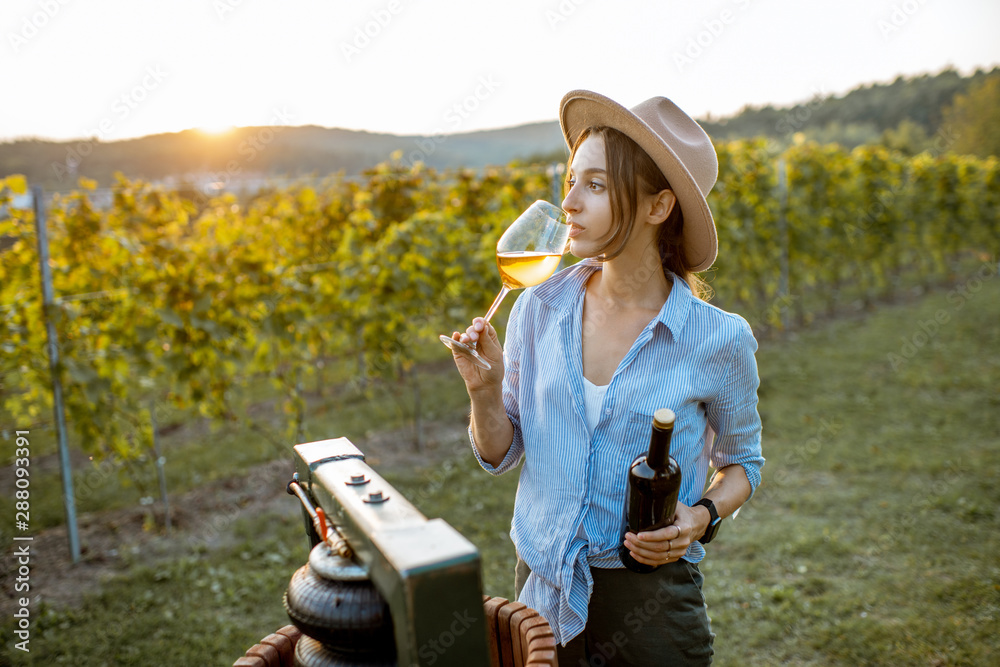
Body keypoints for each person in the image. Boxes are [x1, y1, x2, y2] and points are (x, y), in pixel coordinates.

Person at [448, 90, 764, 666]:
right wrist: (484, 393)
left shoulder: (719, 338)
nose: (567, 202)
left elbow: (744, 464)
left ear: (657, 206)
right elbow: (500, 450)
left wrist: (700, 518)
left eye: (593, 185)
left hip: (651, 604)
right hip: (541, 587)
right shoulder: (538, 307)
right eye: (571, 180)